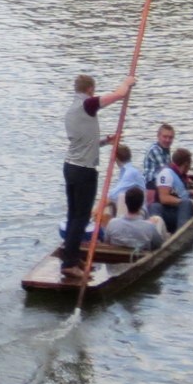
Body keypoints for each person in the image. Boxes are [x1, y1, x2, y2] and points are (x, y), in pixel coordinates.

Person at [59, 70, 136, 280]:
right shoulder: (88, 104)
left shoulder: (71, 110)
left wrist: (106, 142)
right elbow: (118, 94)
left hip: (70, 167)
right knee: (81, 217)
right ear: (90, 89)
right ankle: (69, 264)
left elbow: (82, 142)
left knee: (74, 215)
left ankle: (72, 257)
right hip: (84, 171)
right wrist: (127, 82)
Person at [102, 186, 166, 253]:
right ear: (141, 205)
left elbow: (106, 242)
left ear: (125, 203)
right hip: (139, 258)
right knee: (158, 221)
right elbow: (158, 245)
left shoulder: (112, 223)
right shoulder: (150, 227)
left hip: (116, 258)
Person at [152, 146, 193, 232]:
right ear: (186, 164)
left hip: (178, 213)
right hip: (167, 213)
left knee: (186, 203)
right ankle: (156, 233)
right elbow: (164, 199)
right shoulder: (166, 173)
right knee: (155, 206)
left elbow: (180, 192)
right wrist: (188, 202)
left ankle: (181, 232)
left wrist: (191, 192)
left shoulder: (181, 175)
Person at [140, 121, 176, 193]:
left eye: (170, 138)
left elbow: (169, 168)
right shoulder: (155, 150)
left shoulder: (166, 148)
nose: (167, 140)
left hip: (160, 181)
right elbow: (166, 172)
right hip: (151, 184)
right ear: (158, 136)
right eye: (165, 137)